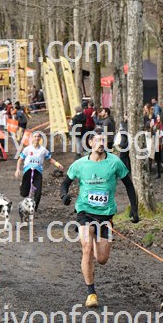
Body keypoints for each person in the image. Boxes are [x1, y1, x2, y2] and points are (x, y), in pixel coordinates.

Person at [60, 129, 139, 307]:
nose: (101, 143)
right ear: (90, 143)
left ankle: (96, 242)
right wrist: (64, 196)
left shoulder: (115, 162)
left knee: (102, 259)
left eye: (104, 140)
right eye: (97, 140)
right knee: (86, 248)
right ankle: (91, 294)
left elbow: (129, 185)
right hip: (85, 212)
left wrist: (134, 209)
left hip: (105, 216)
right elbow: (65, 183)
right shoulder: (80, 164)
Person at [15, 131, 64, 210]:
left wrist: (57, 164)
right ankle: (22, 185)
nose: (37, 138)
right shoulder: (27, 149)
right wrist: (17, 169)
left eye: (38, 137)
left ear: (40, 138)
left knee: (38, 192)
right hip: (28, 171)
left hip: (38, 173)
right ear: (32, 138)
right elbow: (20, 160)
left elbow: (50, 159)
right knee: (24, 194)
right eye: (35, 136)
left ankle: (34, 208)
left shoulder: (43, 150)